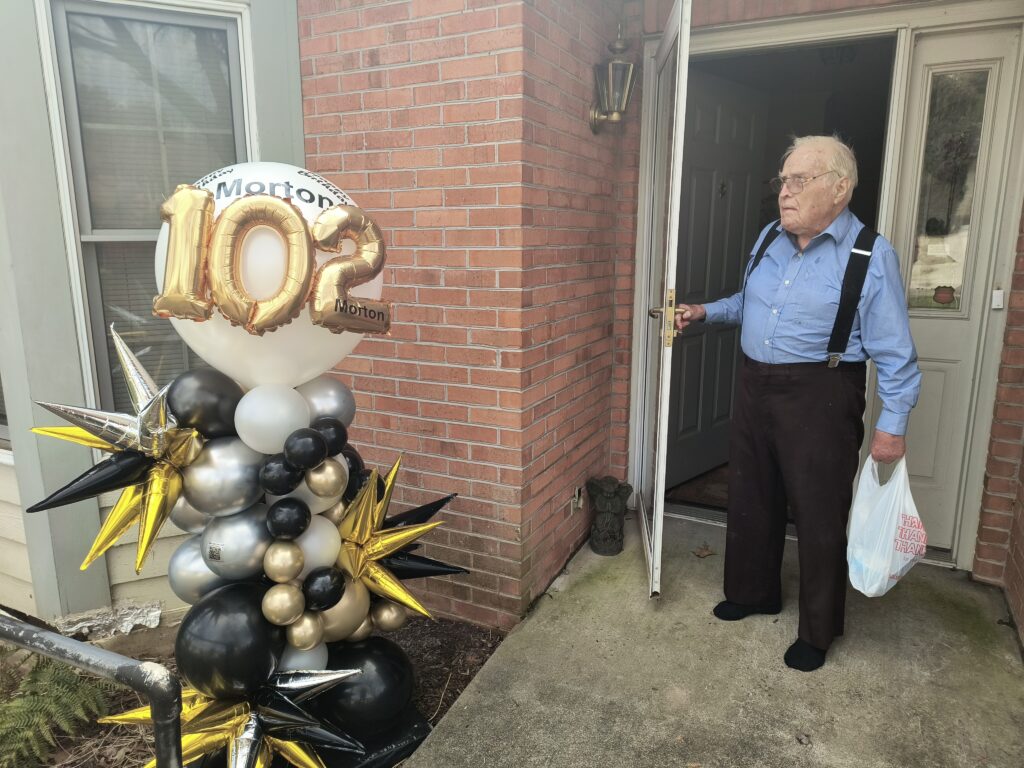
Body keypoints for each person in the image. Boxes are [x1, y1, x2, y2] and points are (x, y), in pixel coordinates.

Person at [674, 135, 920, 672]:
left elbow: (896, 354)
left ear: (839, 188)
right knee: (752, 492)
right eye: (782, 181)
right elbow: (750, 302)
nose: (784, 192)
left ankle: (818, 629)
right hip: (754, 384)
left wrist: (892, 426)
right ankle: (753, 592)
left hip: (822, 393)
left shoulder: (871, 254)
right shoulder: (770, 237)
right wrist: (706, 311)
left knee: (818, 511)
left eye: (798, 181)